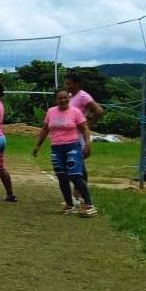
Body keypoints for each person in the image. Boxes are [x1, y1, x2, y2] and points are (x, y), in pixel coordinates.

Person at [33, 88, 96, 217]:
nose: (63, 100)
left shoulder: (75, 112)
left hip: (72, 146)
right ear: (56, 100)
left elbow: (85, 129)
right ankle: (69, 204)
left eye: (65, 97)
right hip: (56, 148)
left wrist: (88, 143)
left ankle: (89, 204)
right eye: (60, 98)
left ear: (69, 98)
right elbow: (45, 129)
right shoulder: (51, 112)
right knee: (61, 176)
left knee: (75, 175)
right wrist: (37, 145)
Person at [65, 71, 104, 206]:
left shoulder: (83, 96)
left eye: (69, 84)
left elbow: (99, 110)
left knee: (76, 165)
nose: (67, 86)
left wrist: (88, 125)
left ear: (77, 84)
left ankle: (78, 195)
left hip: (80, 136)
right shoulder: (70, 97)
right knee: (76, 165)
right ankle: (80, 194)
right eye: (66, 84)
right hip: (70, 135)